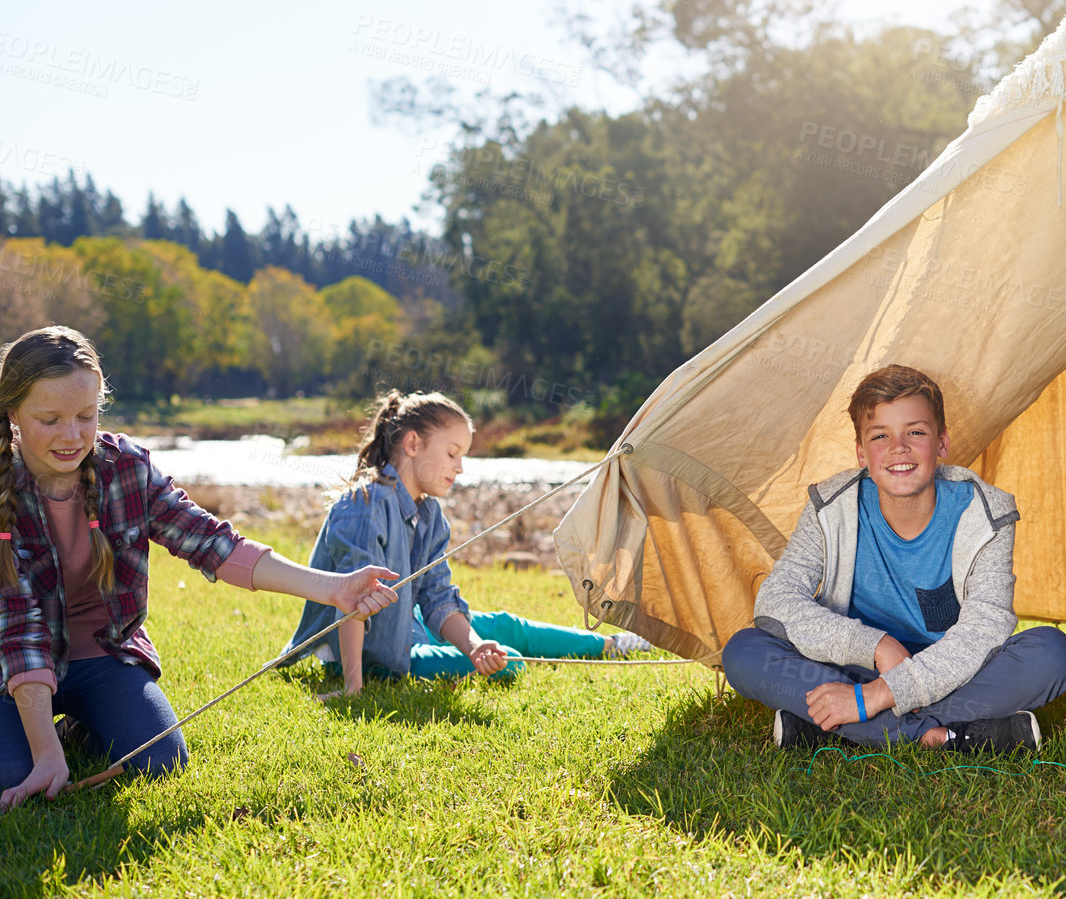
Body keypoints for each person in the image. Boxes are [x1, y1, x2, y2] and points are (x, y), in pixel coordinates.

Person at [0, 326, 400, 810]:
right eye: (50, 419)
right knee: (16, 775)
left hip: (103, 657)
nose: (71, 436)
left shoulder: (126, 468)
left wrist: (333, 588)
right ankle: (46, 741)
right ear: (13, 413)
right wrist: (44, 753)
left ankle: (80, 728)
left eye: (86, 416)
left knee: (160, 760)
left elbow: (213, 543)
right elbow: (17, 628)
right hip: (9, 669)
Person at [722, 364, 1066, 753]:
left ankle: (830, 726)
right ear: (861, 452)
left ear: (941, 443)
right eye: (880, 436)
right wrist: (876, 646)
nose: (898, 448)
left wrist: (873, 698)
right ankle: (946, 736)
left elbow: (984, 629)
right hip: (855, 667)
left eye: (915, 432)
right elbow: (776, 602)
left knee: (1051, 653)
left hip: (951, 669)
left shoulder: (986, 514)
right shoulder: (830, 506)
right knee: (744, 651)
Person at [281, 390, 646, 695]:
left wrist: (473, 647)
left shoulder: (429, 514)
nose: (460, 468)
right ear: (412, 444)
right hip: (376, 654)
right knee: (509, 662)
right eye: (452, 453)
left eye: (463, 457)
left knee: (502, 629)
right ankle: (363, 674)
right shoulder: (363, 504)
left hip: (411, 626)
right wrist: (353, 687)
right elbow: (352, 599)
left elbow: (438, 597)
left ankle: (613, 645)